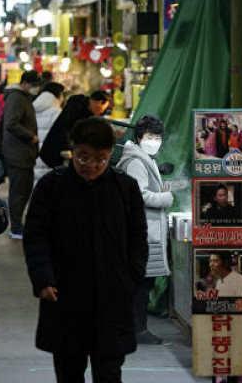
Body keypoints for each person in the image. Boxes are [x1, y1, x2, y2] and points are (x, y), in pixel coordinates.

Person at [23, 117, 148, 382]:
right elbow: (36, 237)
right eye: (83, 157)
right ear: (72, 149)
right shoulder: (51, 187)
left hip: (112, 298)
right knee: (68, 372)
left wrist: (131, 276)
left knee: (109, 374)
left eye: (101, 159)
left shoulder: (125, 188)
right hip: (65, 296)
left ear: (110, 154)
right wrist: (43, 278)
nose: (91, 165)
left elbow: (138, 238)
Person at [116, 115, 173, 346]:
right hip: (141, 231)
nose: (154, 141)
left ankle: (133, 327)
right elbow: (139, 195)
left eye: (158, 137)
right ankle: (137, 330)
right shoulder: (136, 162)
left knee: (142, 281)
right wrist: (165, 198)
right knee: (141, 282)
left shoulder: (143, 158)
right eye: (150, 136)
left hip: (144, 229)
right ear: (139, 137)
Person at [3, 70, 41, 239]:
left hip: (25, 153)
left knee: (25, 190)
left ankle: (19, 225)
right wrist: (30, 136)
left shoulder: (24, 97)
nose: (36, 88)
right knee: (18, 192)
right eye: (33, 85)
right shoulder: (16, 98)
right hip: (17, 153)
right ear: (25, 83)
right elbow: (11, 123)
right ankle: (16, 227)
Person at [39, 90, 110, 168]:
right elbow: (66, 132)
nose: (102, 112)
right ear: (100, 102)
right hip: (58, 153)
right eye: (103, 109)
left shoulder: (81, 109)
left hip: (57, 153)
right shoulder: (77, 111)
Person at [33, 82, 64, 185]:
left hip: (34, 155)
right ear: (59, 95)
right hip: (48, 157)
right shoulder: (57, 113)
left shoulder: (32, 109)